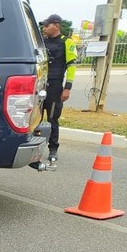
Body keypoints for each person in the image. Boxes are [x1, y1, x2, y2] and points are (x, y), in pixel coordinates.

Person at [40, 14, 76, 168]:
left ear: (56, 25)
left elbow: (71, 66)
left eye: (46, 25)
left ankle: (53, 149)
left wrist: (67, 88)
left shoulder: (67, 43)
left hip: (55, 87)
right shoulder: (42, 42)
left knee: (52, 119)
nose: (44, 28)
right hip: (40, 85)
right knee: (35, 118)